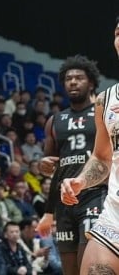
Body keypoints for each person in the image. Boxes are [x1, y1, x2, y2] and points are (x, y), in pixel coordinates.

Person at [60, 19, 119, 275]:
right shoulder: (105, 101)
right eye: (118, 32)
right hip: (115, 218)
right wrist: (81, 181)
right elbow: (102, 158)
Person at [35, 56, 103, 275]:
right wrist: (48, 212)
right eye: (68, 78)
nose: (73, 82)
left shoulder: (102, 113)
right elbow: (53, 167)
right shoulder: (55, 121)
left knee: (89, 267)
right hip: (64, 204)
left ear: (91, 82)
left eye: (79, 78)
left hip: (96, 195)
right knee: (70, 271)